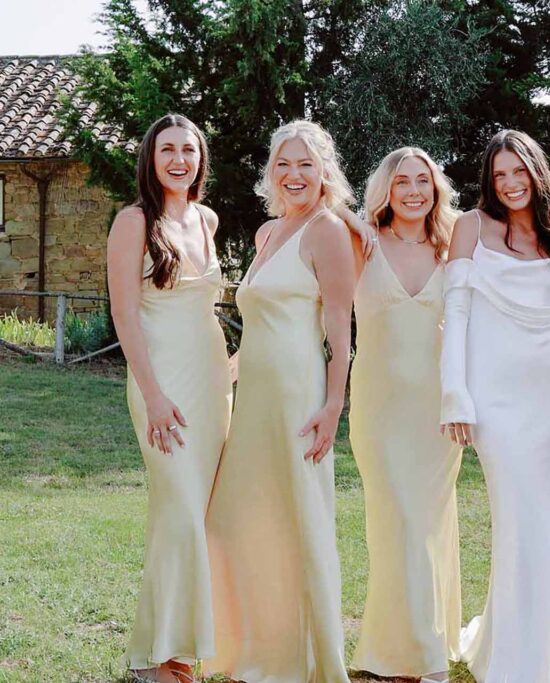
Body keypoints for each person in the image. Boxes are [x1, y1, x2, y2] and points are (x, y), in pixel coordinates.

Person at [441, 129, 550, 683]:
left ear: (537, 174)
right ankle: (518, 658)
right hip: (493, 399)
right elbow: (457, 315)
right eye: (500, 175)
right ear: (489, 182)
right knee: (518, 519)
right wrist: (456, 394)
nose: (511, 183)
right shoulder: (470, 228)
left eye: (520, 172)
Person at [204, 120, 356, 683]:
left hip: (299, 395)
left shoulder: (329, 231)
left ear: (324, 172)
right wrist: (224, 373)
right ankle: (256, 649)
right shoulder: (268, 232)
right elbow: (259, 326)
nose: (295, 175)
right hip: (254, 398)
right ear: (272, 172)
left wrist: (332, 407)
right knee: (237, 519)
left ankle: (309, 660)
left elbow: (341, 334)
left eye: (306, 164)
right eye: (284, 165)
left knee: (300, 520)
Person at [107, 113, 231, 683]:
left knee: (190, 516)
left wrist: (234, 369)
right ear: (150, 160)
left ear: (200, 158)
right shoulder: (133, 222)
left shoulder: (207, 219)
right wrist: (153, 394)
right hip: (162, 383)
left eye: (189, 150)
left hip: (210, 386)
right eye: (167, 151)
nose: (179, 160)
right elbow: (124, 313)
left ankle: (171, 649)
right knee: (178, 508)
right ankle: (156, 656)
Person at [348, 147, 462, 683]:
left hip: (438, 411)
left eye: (423, 181)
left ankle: (413, 650)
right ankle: (414, 653)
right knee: (394, 522)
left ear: (435, 188)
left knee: (426, 523)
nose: (414, 191)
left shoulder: (455, 244)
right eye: (402, 182)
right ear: (385, 192)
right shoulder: (361, 243)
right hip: (379, 406)